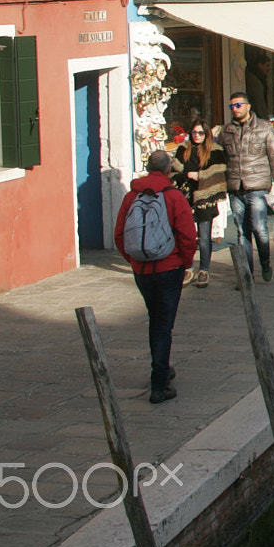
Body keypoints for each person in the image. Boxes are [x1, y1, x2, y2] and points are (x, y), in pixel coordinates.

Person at [114, 149, 196, 403]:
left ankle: (162, 368)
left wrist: (135, 261)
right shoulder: (173, 196)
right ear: (169, 169)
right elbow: (187, 235)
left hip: (142, 271)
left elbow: (119, 235)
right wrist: (185, 263)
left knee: (156, 321)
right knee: (163, 325)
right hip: (169, 268)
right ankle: (159, 382)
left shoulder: (131, 196)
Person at [218, 92, 274, 282]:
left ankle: (265, 263)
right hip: (235, 187)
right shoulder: (226, 131)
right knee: (242, 232)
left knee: (259, 228)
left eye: (238, 105)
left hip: (257, 187)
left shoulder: (264, 128)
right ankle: (246, 273)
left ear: (248, 106)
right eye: (231, 106)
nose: (235, 109)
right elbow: (221, 159)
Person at [175, 121, 227, 288]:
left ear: (207, 134)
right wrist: (188, 175)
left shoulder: (215, 151)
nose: (196, 136)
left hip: (206, 199)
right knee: (186, 236)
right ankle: (188, 267)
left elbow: (218, 172)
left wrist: (201, 175)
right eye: (194, 132)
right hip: (186, 197)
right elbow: (175, 172)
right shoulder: (183, 149)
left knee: (204, 237)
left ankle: (204, 270)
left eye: (200, 133)